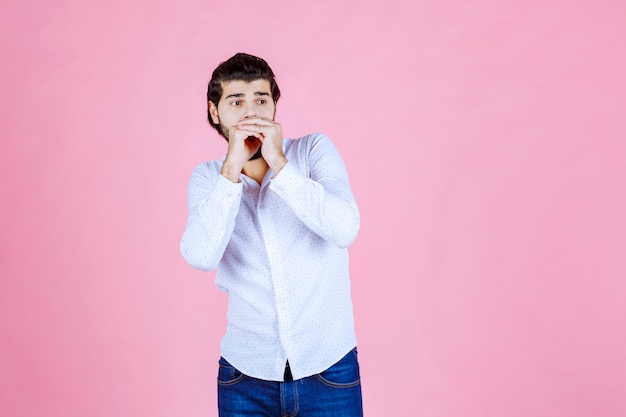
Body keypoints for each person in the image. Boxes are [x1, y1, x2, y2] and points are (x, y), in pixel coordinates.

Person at [180, 52, 363, 417]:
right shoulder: (208, 178)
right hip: (245, 377)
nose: (251, 112)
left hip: (329, 367)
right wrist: (232, 168)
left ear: (275, 106)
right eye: (236, 102)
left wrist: (279, 164)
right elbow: (200, 255)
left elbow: (345, 229)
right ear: (215, 112)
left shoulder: (312, 151)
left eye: (261, 100)